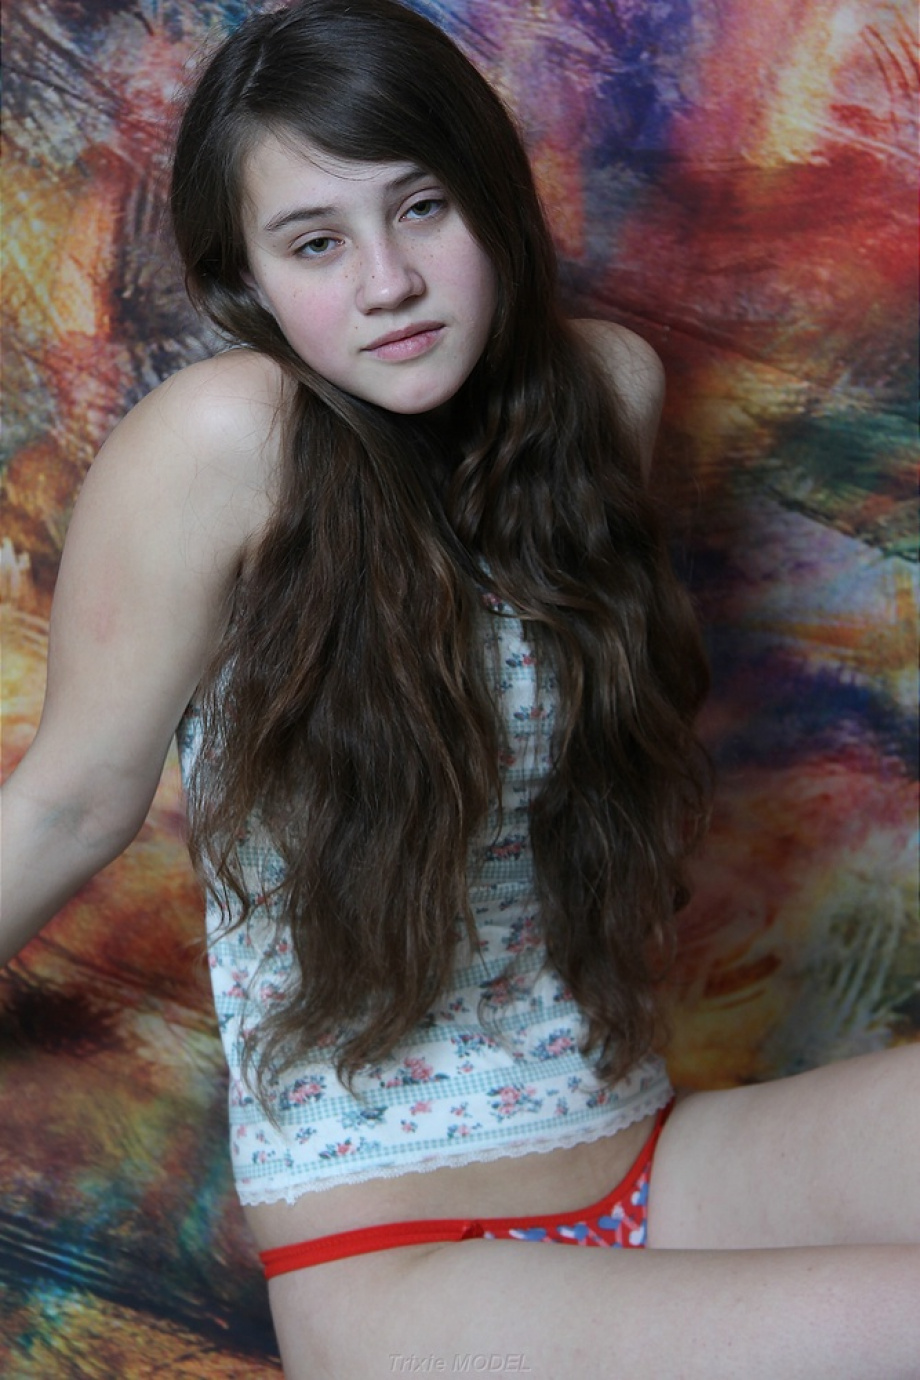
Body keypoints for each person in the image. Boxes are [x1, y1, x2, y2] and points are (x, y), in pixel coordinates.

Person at [2, 1, 918, 1376]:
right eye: (316, 243)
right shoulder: (223, 442)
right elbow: (70, 805)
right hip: (395, 1255)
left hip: (639, 1152)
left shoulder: (605, 393)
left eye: (421, 208)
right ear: (247, 279)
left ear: (491, 202)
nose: (389, 283)